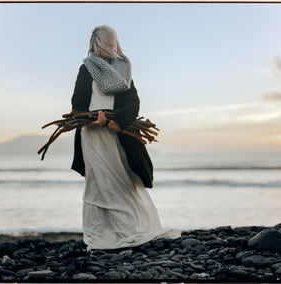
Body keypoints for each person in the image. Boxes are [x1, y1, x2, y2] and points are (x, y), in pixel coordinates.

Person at [70, 25, 181, 252]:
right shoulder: (86, 68)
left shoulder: (123, 67)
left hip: (116, 135)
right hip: (92, 135)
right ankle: (98, 236)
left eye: (101, 41)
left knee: (121, 180)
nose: (100, 45)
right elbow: (77, 103)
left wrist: (117, 121)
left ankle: (130, 229)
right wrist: (91, 119)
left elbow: (133, 102)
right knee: (96, 183)